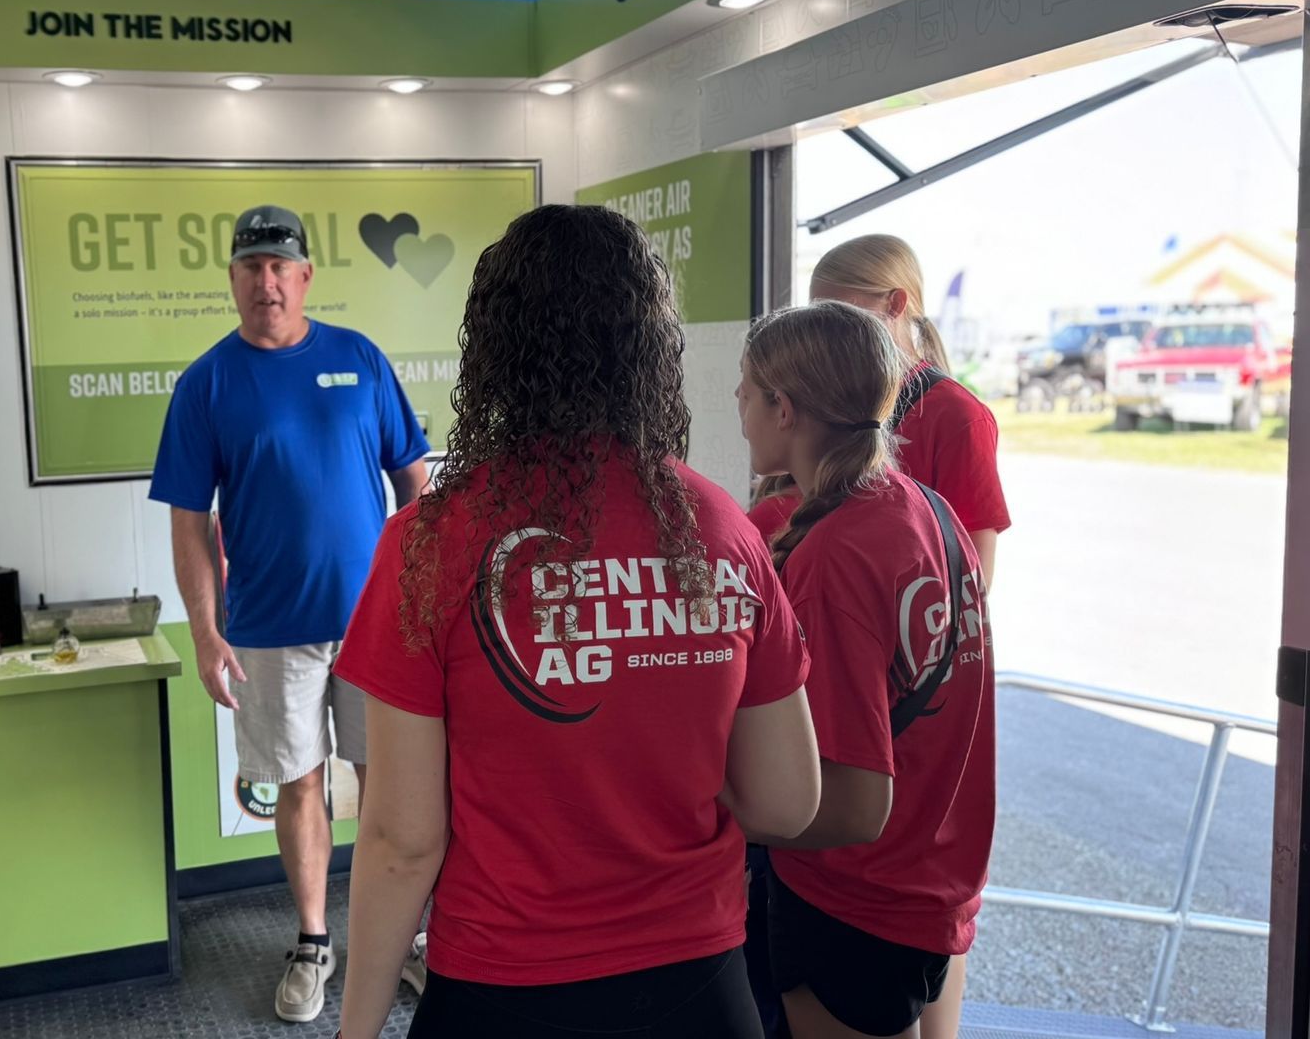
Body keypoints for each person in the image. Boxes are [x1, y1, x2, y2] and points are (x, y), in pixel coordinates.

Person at [334, 205, 821, 1039]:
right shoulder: (722, 530)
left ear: (493, 350)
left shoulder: (429, 544)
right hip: (699, 990)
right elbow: (788, 801)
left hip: (503, 989)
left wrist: (355, 1032)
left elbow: (402, 841)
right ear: (650, 353)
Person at [151, 204, 432, 1024]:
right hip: (270, 628)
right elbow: (188, 521)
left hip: (378, 622)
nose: (265, 281)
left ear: (305, 277)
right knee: (300, 784)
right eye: (250, 267)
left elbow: (414, 482)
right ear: (232, 279)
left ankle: (403, 937)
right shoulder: (207, 382)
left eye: (280, 266)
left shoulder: (359, 359)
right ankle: (315, 940)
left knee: (388, 788)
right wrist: (205, 631)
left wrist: (418, 594)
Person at [736, 302, 994, 1039]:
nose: (739, 409)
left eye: (746, 392)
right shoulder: (929, 511)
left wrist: (717, 808)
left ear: (784, 408)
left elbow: (852, 806)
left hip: (856, 895)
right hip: (931, 874)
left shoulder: (834, 555)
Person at [749, 236, 1009, 592]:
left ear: (895, 304)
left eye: (840, 312)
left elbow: (972, 578)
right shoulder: (819, 395)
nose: (825, 331)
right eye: (817, 314)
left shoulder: (956, 415)